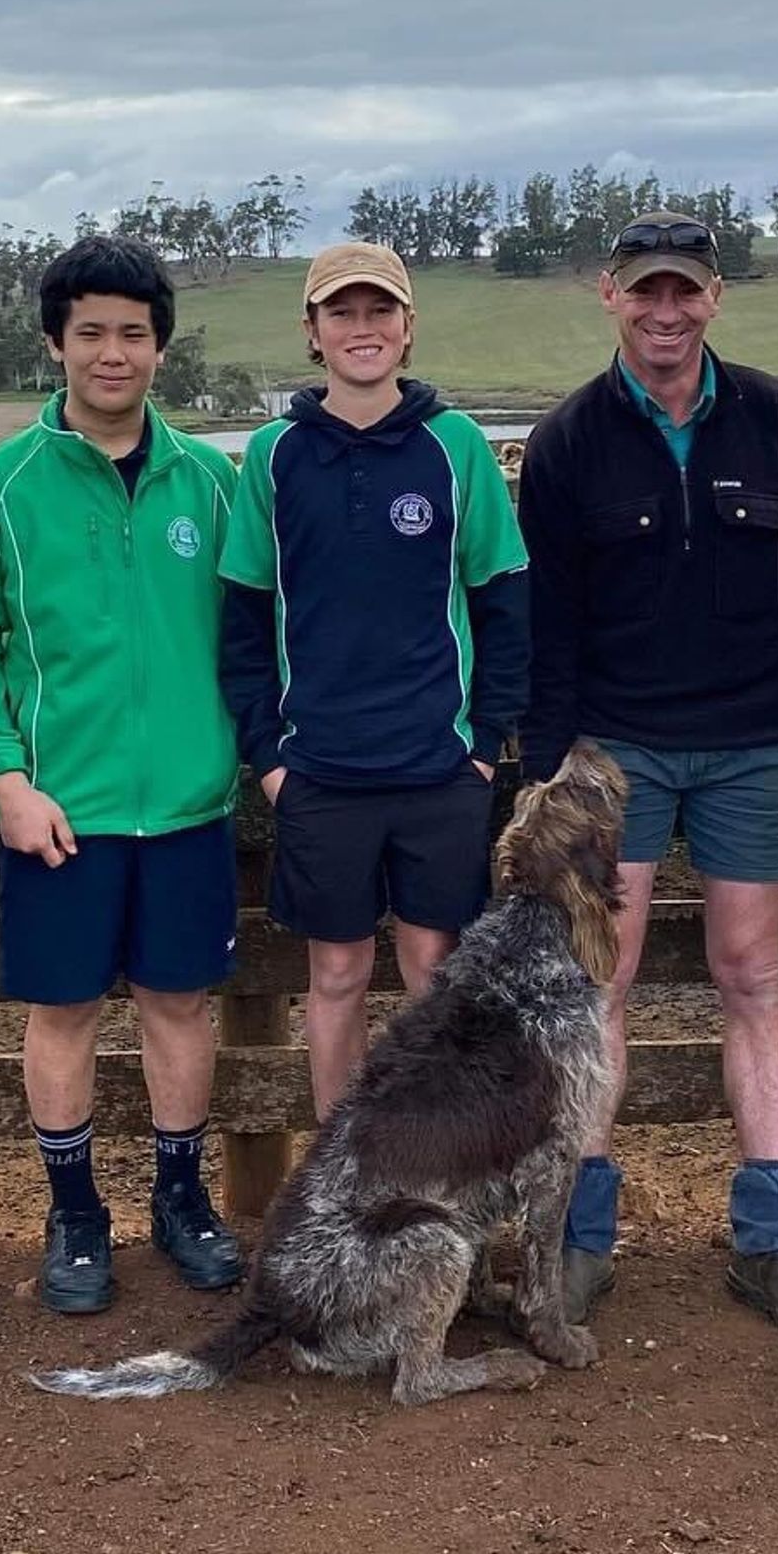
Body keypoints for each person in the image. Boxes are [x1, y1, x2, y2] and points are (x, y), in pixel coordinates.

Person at [517, 214, 778, 1342]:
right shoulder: (568, 439)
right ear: (609, 295)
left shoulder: (771, 417)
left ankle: (772, 1241)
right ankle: (579, 1238)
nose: (665, 313)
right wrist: (550, 756)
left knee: (752, 973)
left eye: (686, 292)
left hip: (754, 742)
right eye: (645, 292)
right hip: (615, 751)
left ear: (715, 297)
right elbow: (548, 612)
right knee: (598, 987)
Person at [0, 236, 247, 1316]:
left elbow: (248, 636)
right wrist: (5, 780)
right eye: (91, 332)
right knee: (65, 1010)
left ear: (161, 347)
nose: (112, 352)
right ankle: (75, 1213)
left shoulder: (212, 483)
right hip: (58, 809)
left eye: (133, 332)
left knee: (179, 1002)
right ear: (55, 342)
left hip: (186, 804)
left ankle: (182, 1197)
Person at [220, 241, 529, 1117]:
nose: (363, 328)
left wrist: (481, 746)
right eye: (342, 313)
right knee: (337, 972)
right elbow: (244, 623)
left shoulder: (455, 446)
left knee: (436, 969)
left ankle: (438, 1164)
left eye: (380, 310)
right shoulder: (273, 455)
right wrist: (271, 759)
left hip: (438, 767)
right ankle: (343, 1169)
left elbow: (505, 604)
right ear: (312, 331)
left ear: (408, 326)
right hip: (321, 769)